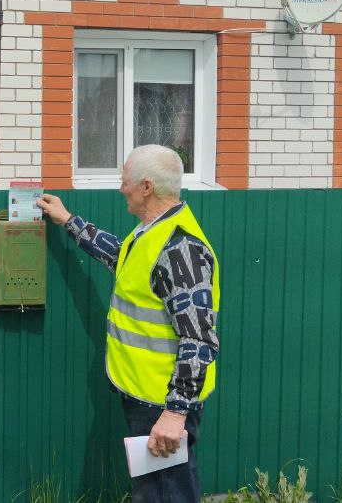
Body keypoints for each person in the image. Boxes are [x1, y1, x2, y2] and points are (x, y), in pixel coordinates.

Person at [36, 144, 220, 503]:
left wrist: (174, 412)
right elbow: (120, 256)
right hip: (144, 396)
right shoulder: (150, 233)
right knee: (157, 492)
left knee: (167, 495)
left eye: (126, 182)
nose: (122, 189)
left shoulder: (180, 249)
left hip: (161, 404)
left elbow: (199, 339)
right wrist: (68, 221)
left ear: (147, 187)